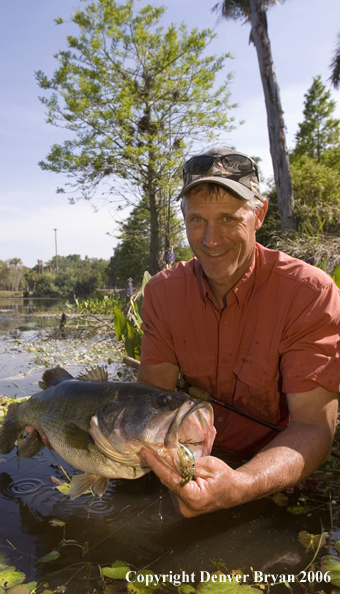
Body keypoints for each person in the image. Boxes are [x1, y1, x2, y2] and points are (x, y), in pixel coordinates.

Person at [138, 147, 340, 517]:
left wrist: (240, 485)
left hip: (276, 469)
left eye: (229, 218)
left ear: (259, 213)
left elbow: (314, 428)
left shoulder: (310, 294)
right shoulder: (162, 293)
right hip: (190, 460)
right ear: (183, 216)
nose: (211, 240)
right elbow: (149, 402)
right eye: (197, 219)